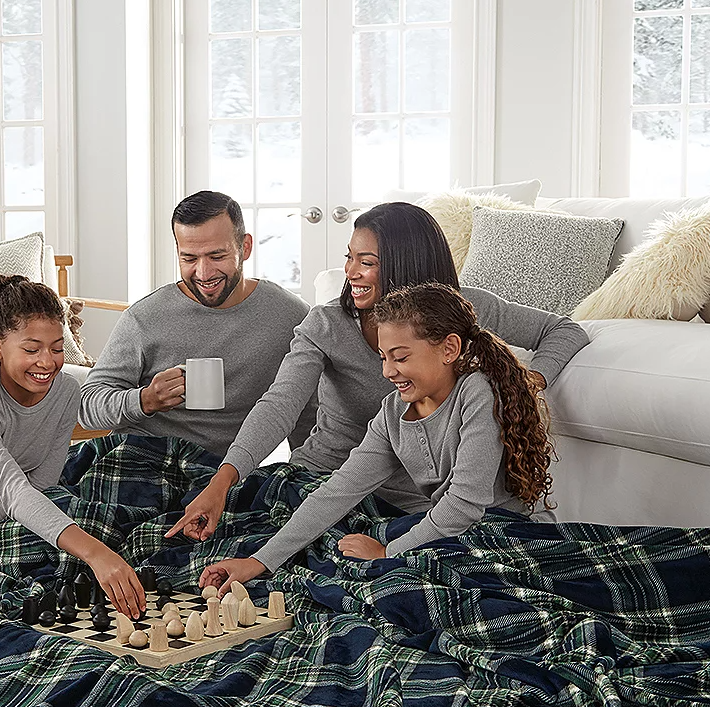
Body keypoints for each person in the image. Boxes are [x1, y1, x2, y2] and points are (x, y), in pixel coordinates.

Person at [168, 202, 586, 541]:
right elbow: (279, 405)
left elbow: (563, 330)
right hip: (327, 479)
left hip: (413, 502)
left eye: (365, 262)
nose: (350, 273)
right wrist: (224, 480)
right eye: (349, 258)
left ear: (406, 265)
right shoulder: (326, 324)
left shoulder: (463, 310)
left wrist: (527, 383)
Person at [199, 282, 556, 590]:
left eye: (400, 358)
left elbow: (464, 505)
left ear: (449, 349)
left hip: (505, 535)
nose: (387, 371)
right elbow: (340, 489)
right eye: (384, 358)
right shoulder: (393, 411)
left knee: (386, 584)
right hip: (449, 533)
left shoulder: (478, 393)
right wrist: (259, 562)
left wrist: (388, 553)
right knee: (331, 555)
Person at [0, 275, 147, 618]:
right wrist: (96, 553)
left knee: (89, 516)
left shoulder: (66, 392)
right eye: (32, 349)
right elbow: (15, 492)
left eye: (57, 348)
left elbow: (41, 488)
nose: (47, 362)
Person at [78, 190, 316, 458]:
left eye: (217, 256)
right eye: (189, 258)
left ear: (245, 247)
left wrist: (303, 471)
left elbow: (308, 413)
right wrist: (146, 400)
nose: (204, 273)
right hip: (141, 455)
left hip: (223, 470)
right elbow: (88, 406)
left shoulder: (290, 315)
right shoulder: (145, 317)